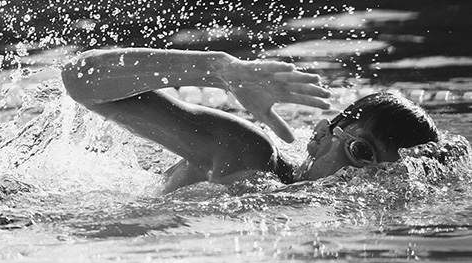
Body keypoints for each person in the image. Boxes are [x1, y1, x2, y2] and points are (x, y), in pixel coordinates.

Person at [61, 48, 439, 193]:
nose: (362, 180)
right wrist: (217, 69)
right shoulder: (248, 153)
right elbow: (80, 79)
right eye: (361, 152)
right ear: (321, 135)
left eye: (384, 175)